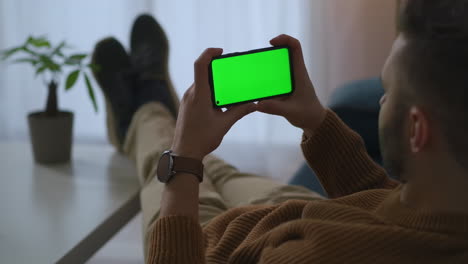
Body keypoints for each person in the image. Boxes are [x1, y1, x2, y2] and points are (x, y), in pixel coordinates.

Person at [92, 0, 468, 263]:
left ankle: (145, 108)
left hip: (207, 247)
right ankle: (158, 110)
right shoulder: (446, 203)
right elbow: (392, 205)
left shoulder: (316, 258)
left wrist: (185, 157)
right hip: (301, 215)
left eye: (387, 92)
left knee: (170, 161)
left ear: (417, 130)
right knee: (217, 169)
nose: (381, 101)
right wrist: (316, 121)